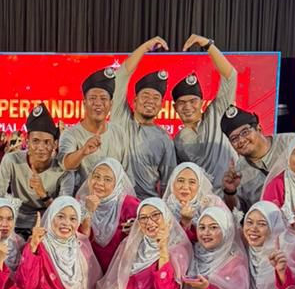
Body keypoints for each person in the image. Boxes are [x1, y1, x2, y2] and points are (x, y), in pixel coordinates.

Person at [109, 36, 176, 199]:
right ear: (135, 101)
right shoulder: (121, 118)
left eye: (156, 98)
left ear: (161, 106)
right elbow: (121, 77)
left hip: (146, 205)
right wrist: (145, 48)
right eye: (145, 95)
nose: (150, 101)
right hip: (115, 202)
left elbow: (168, 183)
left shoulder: (164, 139)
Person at [16, 196, 100, 289]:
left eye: (73, 219)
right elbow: (26, 284)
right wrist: (32, 247)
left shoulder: (81, 245)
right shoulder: (40, 245)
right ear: (51, 217)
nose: (66, 223)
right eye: (60, 216)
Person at [0, 104, 73, 234]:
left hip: (49, 226)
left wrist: (43, 194)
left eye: (47, 142)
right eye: (35, 141)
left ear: (55, 144)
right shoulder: (12, 160)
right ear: (27, 142)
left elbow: (64, 215)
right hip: (14, 225)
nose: (41, 147)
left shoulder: (63, 169)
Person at [172, 36, 238, 185]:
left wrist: (208, 45)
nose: (187, 107)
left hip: (233, 192)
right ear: (175, 108)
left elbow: (230, 76)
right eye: (182, 103)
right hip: (202, 197)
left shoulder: (216, 114)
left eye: (193, 101)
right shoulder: (176, 141)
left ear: (201, 103)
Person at [58, 68, 131, 183]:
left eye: (103, 99)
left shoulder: (119, 133)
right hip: (81, 194)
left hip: (114, 193)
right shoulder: (70, 134)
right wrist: (82, 151)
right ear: (84, 103)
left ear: (111, 104)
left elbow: (125, 173)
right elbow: (65, 165)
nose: (98, 103)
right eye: (92, 98)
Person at [184, 206, 250, 289]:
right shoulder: (192, 252)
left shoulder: (234, 261)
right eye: (202, 227)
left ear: (226, 230)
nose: (206, 233)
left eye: (213, 227)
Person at [75, 158, 140, 272]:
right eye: (96, 177)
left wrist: (138, 229)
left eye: (107, 179)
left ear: (117, 183)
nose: (100, 183)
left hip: (120, 270)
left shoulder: (130, 206)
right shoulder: (79, 204)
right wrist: (88, 212)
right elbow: (79, 242)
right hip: (88, 268)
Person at [219, 106, 287, 211]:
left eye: (245, 132)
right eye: (234, 138)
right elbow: (239, 211)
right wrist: (230, 192)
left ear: (259, 128)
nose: (241, 140)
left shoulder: (290, 144)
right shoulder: (238, 174)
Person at [162, 161, 216, 239]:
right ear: (172, 183)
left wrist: (187, 222)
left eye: (192, 182)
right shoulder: (162, 210)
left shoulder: (208, 208)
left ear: (199, 186)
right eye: (180, 180)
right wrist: (185, 222)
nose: (185, 187)